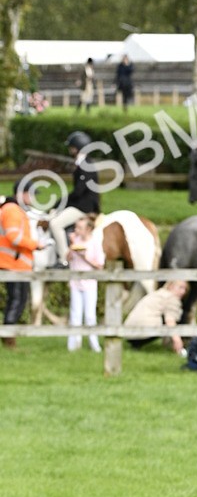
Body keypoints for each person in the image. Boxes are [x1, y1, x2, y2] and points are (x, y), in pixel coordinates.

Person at [49, 132, 101, 266]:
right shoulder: (82, 163)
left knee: (55, 224)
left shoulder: (85, 165)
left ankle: (64, 258)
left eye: (72, 147)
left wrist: (60, 203)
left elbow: (78, 192)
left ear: (78, 147)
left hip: (84, 206)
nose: (70, 150)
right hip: (80, 203)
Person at [0, 180, 37, 349]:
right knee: (17, 300)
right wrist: (35, 244)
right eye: (30, 194)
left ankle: (8, 337)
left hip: (14, 263)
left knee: (17, 300)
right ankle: (8, 339)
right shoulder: (13, 211)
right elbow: (14, 237)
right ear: (21, 194)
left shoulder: (11, 209)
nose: (32, 199)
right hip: (13, 263)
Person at [66, 216, 102, 352]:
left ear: (88, 229)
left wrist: (84, 257)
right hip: (75, 282)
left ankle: (94, 344)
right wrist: (71, 247)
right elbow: (67, 258)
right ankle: (73, 345)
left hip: (90, 283)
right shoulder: (75, 241)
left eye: (79, 227)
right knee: (75, 313)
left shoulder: (95, 243)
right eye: (76, 227)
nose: (76, 230)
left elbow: (99, 265)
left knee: (89, 315)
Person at [124, 280, 188, 353]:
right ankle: (173, 346)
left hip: (127, 333)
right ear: (170, 286)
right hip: (144, 331)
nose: (183, 292)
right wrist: (178, 341)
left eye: (185, 289)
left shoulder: (157, 293)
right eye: (180, 288)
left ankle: (136, 345)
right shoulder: (172, 298)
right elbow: (170, 321)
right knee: (172, 318)